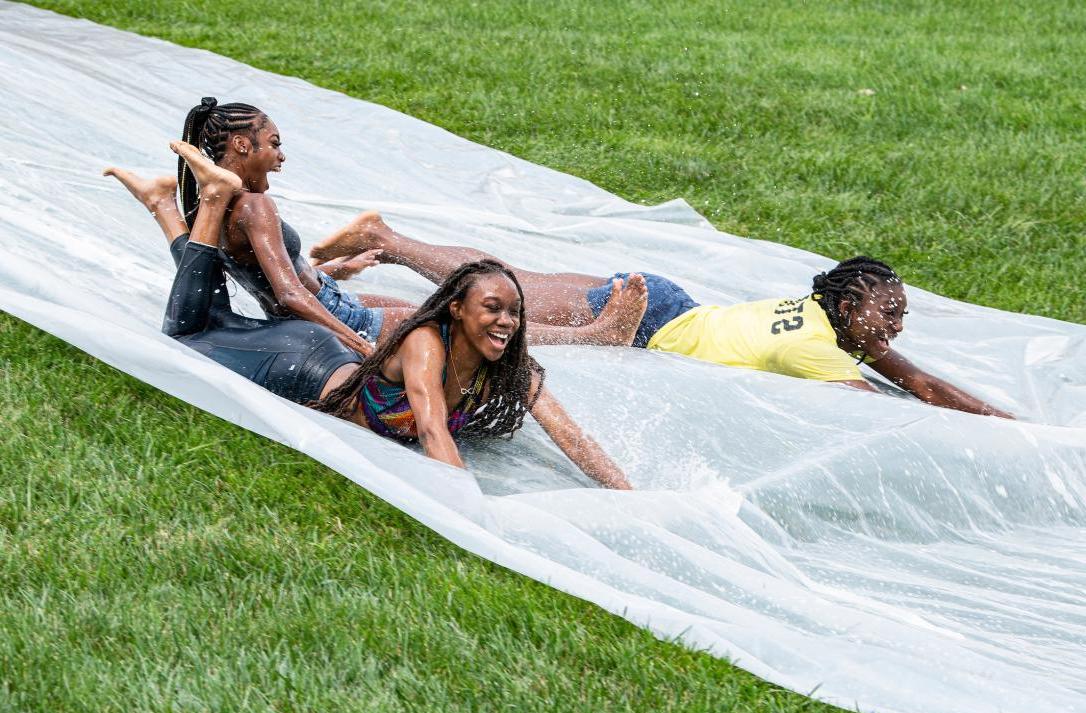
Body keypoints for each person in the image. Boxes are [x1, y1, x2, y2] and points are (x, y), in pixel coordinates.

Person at [134, 140, 633, 489]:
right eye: (493, 309)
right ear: (456, 310)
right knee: (189, 335)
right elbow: (433, 429)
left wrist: (627, 495)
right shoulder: (425, 345)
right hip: (301, 364)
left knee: (208, 321)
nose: (507, 322)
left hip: (322, 349)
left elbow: (571, 436)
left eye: (514, 313)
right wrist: (471, 517)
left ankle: (164, 205)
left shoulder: (511, 364)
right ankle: (211, 200)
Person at [310, 215, 1014, 418]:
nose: (896, 327)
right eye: (888, 313)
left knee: (511, 287)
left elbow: (918, 381)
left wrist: (1009, 424)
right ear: (852, 306)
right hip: (653, 322)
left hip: (669, 302)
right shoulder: (821, 351)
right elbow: (901, 408)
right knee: (500, 299)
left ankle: (351, 273)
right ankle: (378, 250)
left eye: (902, 315)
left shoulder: (830, 322)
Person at [167, 97, 647, 352]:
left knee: (444, 306)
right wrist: (352, 338)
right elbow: (289, 295)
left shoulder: (215, 209)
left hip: (329, 299)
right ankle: (594, 335)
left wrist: (340, 271)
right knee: (466, 323)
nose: (281, 155)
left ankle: (585, 326)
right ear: (243, 146)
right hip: (334, 315)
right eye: (273, 143)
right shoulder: (254, 207)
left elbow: (276, 282)